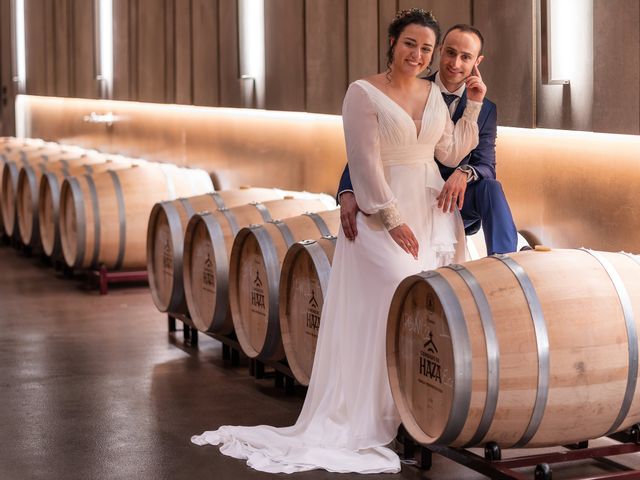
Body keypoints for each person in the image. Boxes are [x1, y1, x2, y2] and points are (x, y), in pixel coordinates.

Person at [191, 9, 484, 474]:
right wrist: (390, 218)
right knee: (385, 304)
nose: (419, 55)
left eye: (427, 48)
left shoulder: (433, 94)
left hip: (430, 214)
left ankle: (410, 412)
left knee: (418, 311)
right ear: (392, 43)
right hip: (379, 219)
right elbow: (363, 163)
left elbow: (448, 152)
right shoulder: (362, 92)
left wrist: (471, 104)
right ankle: (369, 415)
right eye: (411, 43)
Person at [338, 24, 517, 255]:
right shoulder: (412, 87)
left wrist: (463, 172)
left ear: (477, 62)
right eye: (451, 53)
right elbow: (366, 147)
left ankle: (506, 264)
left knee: (490, 188)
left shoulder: (485, 108)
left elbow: (486, 165)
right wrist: (348, 191)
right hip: (403, 194)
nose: (455, 64)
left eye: (466, 57)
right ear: (440, 50)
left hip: (452, 201)